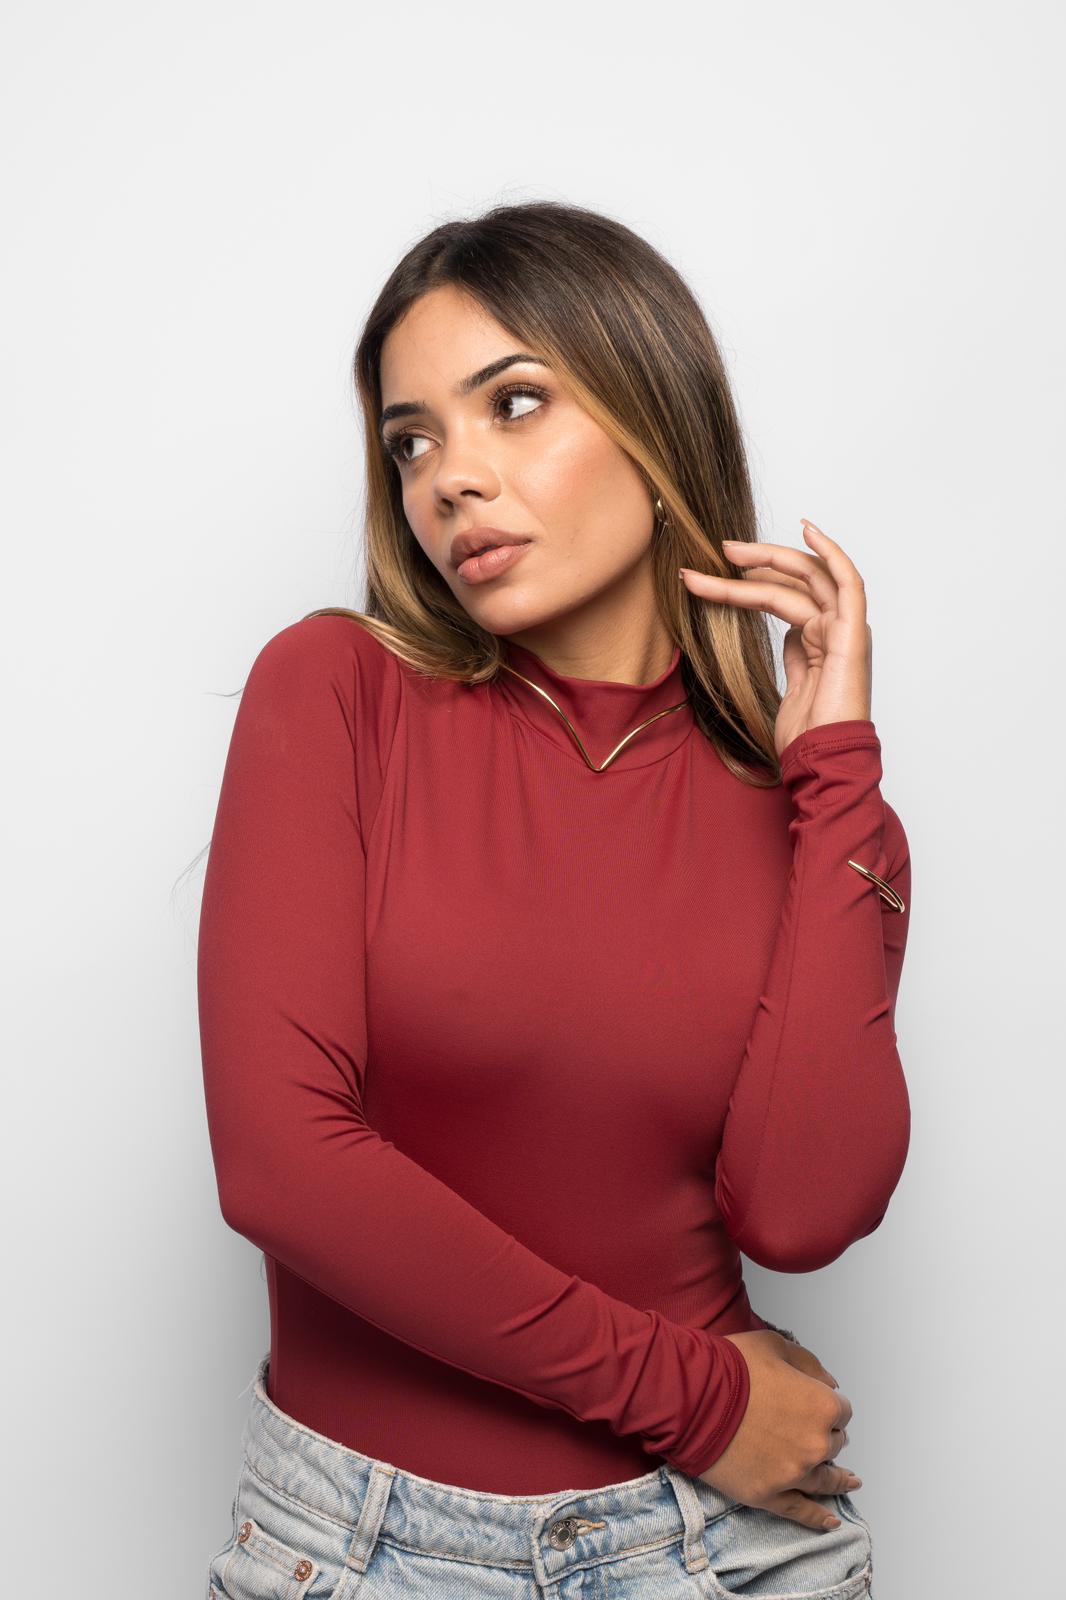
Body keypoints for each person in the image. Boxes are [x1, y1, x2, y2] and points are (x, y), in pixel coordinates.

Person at [197, 199, 909, 1599]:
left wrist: (835, 777)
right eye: (411, 442)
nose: (451, 480)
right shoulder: (339, 692)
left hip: (726, 1552)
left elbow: (802, 1212)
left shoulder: (808, 808)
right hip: (370, 1551)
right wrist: (696, 1400)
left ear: (655, 417)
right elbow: (281, 1164)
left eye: (512, 405)